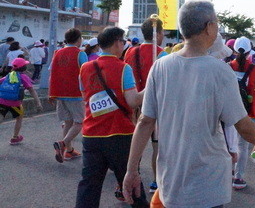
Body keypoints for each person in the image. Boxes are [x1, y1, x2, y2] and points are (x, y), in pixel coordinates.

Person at [122, 0, 255, 208]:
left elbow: (145, 122)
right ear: (209, 27)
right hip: (208, 185)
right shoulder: (220, 71)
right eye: (216, 23)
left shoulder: (161, 67)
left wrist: (131, 171)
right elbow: (242, 124)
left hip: (170, 183)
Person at [75, 26, 148, 208]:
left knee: (89, 186)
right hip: (120, 135)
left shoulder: (85, 67)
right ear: (117, 42)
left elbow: (86, 96)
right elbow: (132, 101)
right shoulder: (123, 68)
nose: (124, 45)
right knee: (131, 182)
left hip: (91, 135)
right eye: (123, 41)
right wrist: (151, 87)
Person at [124, 17, 168, 194]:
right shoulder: (162, 54)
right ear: (157, 33)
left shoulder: (130, 52)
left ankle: (131, 175)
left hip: (133, 104)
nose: (163, 35)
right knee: (157, 146)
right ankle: (156, 182)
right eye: (162, 32)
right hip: (155, 105)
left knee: (136, 144)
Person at [229, 36, 255, 190]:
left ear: (234, 50)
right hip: (248, 112)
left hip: (228, 111)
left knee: (228, 144)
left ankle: (228, 173)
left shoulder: (227, 66)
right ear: (249, 52)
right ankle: (238, 178)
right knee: (242, 146)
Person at [49, 28, 87, 163]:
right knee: (79, 122)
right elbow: (86, 74)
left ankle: (69, 151)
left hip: (59, 92)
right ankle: (63, 144)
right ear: (78, 39)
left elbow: (52, 72)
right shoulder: (80, 54)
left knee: (68, 122)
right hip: (75, 93)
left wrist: (51, 93)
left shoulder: (57, 53)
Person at [0, 58, 43, 145]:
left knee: (1, 117)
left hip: (2, 101)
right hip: (15, 103)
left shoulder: (9, 75)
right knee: (19, 117)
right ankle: (15, 138)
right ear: (24, 67)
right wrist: (38, 103)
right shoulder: (23, 77)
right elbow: (32, 90)